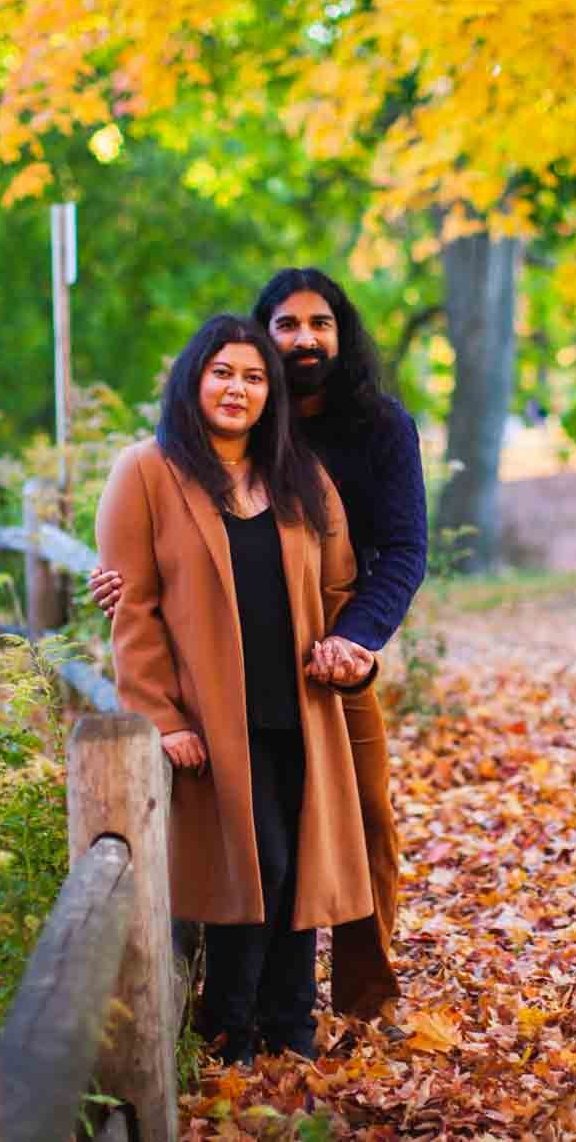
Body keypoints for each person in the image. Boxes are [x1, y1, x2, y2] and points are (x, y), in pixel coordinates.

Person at [92, 268, 428, 1021]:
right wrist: (120, 586)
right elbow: (143, 577)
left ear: (341, 335)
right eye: (286, 326)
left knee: (350, 828)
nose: (304, 338)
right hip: (222, 679)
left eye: (320, 324)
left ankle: (342, 1005)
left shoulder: (372, 428)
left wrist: (356, 640)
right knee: (248, 847)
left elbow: (401, 551)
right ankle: (227, 1018)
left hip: (328, 662)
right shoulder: (183, 453)